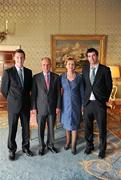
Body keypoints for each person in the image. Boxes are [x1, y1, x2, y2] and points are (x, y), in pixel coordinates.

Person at [1, 49, 33, 160]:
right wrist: (12, 100)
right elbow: (4, 90)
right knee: (12, 129)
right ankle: (12, 150)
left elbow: (29, 89)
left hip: (25, 105)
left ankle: (26, 147)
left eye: (22, 57)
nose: (20, 59)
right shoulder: (8, 72)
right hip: (13, 106)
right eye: (18, 57)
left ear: (24, 58)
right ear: (14, 58)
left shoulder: (29, 72)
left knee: (25, 128)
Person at [82, 48, 112, 159]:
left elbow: (109, 86)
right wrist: (84, 101)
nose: (91, 58)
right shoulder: (85, 69)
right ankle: (89, 146)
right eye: (89, 56)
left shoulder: (105, 70)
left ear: (97, 56)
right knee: (88, 127)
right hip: (88, 103)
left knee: (102, 128)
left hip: (99, 104)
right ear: (87, 58)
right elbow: (84, 85)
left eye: (93, 55)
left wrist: (104, 99)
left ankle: (102, 149)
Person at [31, 57, 61, 156]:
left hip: (52, 108)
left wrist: (58, 106)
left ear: (50, 65)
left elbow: (58, 94)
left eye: (48, 64)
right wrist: (34, 107)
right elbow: (34, 94)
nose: (46, 66)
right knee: (41, 129)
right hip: (40, 108)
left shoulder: (56, 77)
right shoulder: (36, 77)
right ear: (41, 65)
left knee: (51, 128)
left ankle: (51, 145)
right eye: (44, 64)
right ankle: (41, 147)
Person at [60, 57, 84, 155]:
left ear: (75, 66)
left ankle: (73, 145)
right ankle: (68, 141)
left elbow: (82, 92)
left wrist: (83, 105)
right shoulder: (62, 77)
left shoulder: (79, 77)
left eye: (73, 64)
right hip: (65, 104)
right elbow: (59, 91)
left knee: (74, 125)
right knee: (66, 124)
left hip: (76, 104)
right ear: (66, 65)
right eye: (69, 64)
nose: (71, 66)